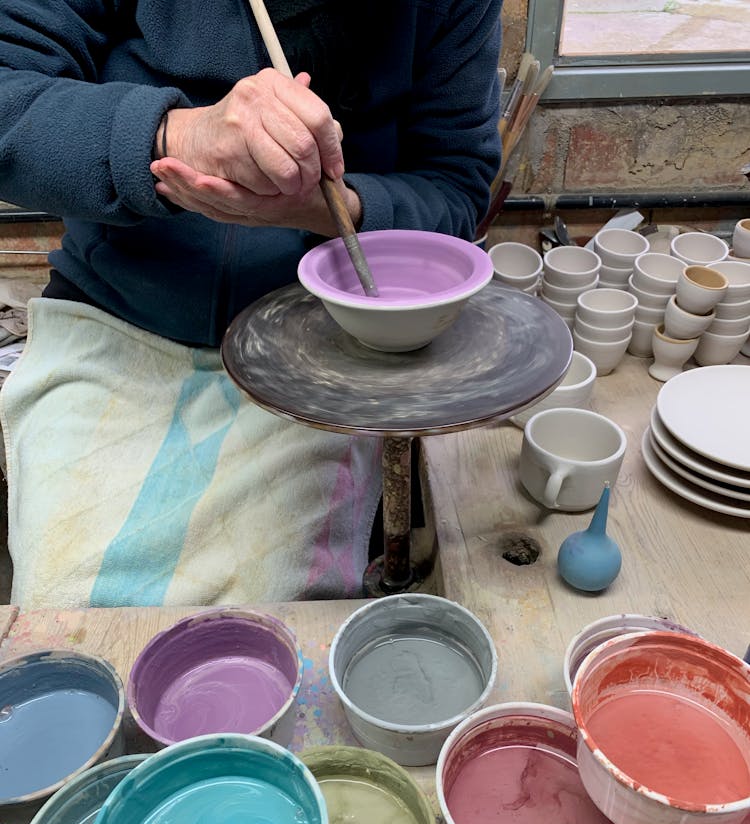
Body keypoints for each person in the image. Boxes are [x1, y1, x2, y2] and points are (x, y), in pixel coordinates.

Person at [0, 0, 503, 610]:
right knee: (70, 622)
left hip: (326, 340)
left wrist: (336, 210)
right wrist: (172, 137)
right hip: (117, 318)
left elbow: (456, 185)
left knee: (280, 616)